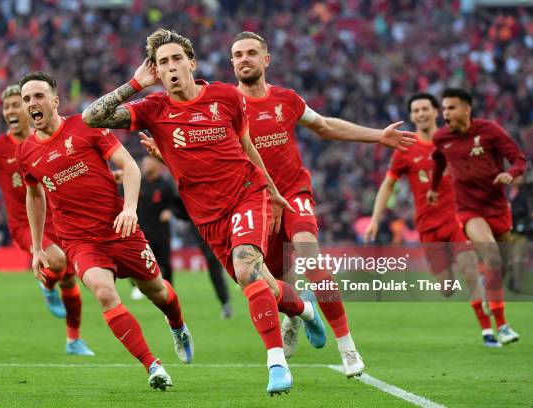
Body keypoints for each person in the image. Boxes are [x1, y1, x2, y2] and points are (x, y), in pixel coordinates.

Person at [82, 28, 329, 396]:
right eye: (163, 62)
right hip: (207, 216)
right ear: (157, 71)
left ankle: (276, 364)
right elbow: (92, 117)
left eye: (177, 59)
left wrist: (273, 192)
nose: (171, 67)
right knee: (260, 282)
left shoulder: (225, 96)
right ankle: (305, 309)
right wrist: (136, 83)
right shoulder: (154, 109)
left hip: (247, 194)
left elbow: (247, 147)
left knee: (248, 271)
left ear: (191, 62)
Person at [229, 31, 416, 374]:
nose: (245, 59)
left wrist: (380, 136)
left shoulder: (286, 99)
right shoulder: (227, 105)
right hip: (255, 203)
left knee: (310, 258)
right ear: (232, 63)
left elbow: (326, 126)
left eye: (252, 52)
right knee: (272, 286)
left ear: (266, 59)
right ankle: (296, 314)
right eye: (238, 54)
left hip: (293, 193)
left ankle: (348, 348)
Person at [17, 71, 191, 390]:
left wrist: (129, 208)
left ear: (55, 101)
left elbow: (130, 166)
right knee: (103, 292)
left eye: (38, 96)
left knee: (159, 293)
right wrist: (37, 247)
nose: (32, 103)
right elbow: (34, 194)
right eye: (26, 99)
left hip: (119, 229)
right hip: (80, 241)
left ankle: (178, 326)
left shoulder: (86, 127)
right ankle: (153, 365)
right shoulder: (26, 152)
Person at [0, 84, 93, 355]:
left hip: (57, 221)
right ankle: (46, 284)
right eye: (7, 106)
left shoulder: (45, 141)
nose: (11, 110)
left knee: (70, 281)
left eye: (16, 105)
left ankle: (73, 341)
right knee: (56, 261)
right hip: (24, 226)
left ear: (27, 109)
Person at [364, 93, 494, 346]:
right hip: (427, 226)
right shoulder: (405, 148)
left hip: (456, 218)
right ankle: (474, 286)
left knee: (468, 267)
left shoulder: (454, 141)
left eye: (425, 108)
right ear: (412, 116)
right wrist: (374, 219)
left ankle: (488, 331)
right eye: (416, 110)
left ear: (436, 112)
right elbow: (388, 185)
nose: (421, 113)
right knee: (446, 288)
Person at [427, 88, 526, 345]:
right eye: (444, 108)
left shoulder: (490, 131)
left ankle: (488, 285)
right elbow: (438, 162)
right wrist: (434, 189)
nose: (446, 113)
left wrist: (511, 174)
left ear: (467, 109)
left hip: (499, 209)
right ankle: (501, 326)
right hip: (469, 211)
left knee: (498, 266)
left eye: (451, 108)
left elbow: (519, 159)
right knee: (491, 254)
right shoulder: (441, 138)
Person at [136, 156, 233, 317]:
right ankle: (225, 302)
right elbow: (177, 205)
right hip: (197, 222)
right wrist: (174, 212)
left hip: (215, 219)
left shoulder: (197, 174)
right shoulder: (176, 181)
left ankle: (226, 300)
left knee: (213, 260)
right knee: (211, 260)